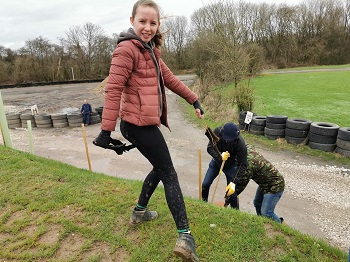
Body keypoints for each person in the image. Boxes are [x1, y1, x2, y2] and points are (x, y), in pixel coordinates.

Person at [93, 1, 203, 261]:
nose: (148, 27)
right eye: (143, 21)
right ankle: (185, 236)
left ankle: (139, 212)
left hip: (144, 124)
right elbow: (113, 90)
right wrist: (106, 131)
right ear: (132, 20)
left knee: (160, 166)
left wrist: (194, 100)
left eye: (153, 23)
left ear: (158, 25)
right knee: (169, 173)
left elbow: (171, 79)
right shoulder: (126, 50)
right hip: (136, 126)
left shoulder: (151, 51)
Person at [233, 144, 285, 224]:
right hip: (264, 183)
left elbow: (241, 185)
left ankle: (279, 226)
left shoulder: (247, 165)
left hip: (275, 185)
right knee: (257, 203)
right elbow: (250, 145)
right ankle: (263, 223)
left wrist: (232, 195)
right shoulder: (246, 148)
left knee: (266, 213)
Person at [202, 122, 248, 209]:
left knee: (232, 193)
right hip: (216, 163)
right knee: (205, 184)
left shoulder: (240, 144)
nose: (227, 141)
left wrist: (234, 183)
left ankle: (235, 213)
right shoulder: (217, 132)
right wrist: (219, 156)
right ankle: (203, 205)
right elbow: (210, 148)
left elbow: (243, 164)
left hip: (231, 166)